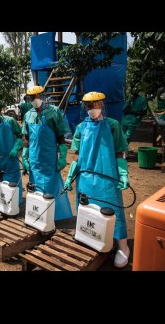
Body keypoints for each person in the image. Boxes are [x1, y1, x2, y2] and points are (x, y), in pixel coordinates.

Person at [64, 91, 130, 268]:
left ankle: (122, 246)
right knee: (87, 209)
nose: (91, 109)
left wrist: (123, 173)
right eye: (88, 105)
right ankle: (90, 238)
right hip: (85, 178)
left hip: (107, 177)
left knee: (113, 209)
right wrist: (70, 175)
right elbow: (77, 156)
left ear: (102, 104)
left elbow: (119, 152)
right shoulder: (81, 128)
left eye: (94, 105)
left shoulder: (113, 125)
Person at [22, 85, 73, 220]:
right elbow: (26, 137)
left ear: (43, 96)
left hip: (49, 158)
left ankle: (53, 217)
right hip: (34, 159)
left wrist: (62, 156)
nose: (35, 99)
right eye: (32, 97)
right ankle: (40, 216)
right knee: (36, 188)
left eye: (37, 96)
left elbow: (60, 136)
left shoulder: (53, 112)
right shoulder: (28, 115)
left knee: (50, 188)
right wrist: (25, 154)